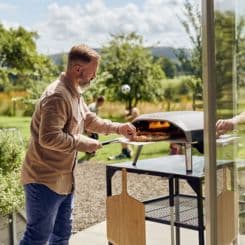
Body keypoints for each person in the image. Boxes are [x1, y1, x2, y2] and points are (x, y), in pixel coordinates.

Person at [19, 44, 136, 245]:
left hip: (65, 181)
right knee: (36, 239)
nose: (94, 77)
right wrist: (83, 143)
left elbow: (89, 119)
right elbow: (48, 137)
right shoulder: (57, 96)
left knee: (61, 237)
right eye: (93, 73)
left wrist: (118, 128)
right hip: (44, 180)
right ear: (78, 69)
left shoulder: (74, 92)